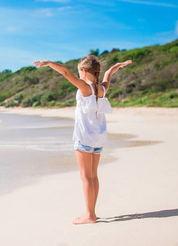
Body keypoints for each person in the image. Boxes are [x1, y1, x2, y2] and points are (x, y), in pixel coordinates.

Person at [34, 55, 132, 225]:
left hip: (85, 138)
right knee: (93, 176)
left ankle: (90, 215)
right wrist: (119, 65)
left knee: (85, 177)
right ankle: (91, 212)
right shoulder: (102, 88)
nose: (78, 75)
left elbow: (65, 72)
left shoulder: (85, 88)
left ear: (85, 72)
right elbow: (109, 72)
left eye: (79, 71)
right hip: (99, 139)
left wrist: (49, 63)